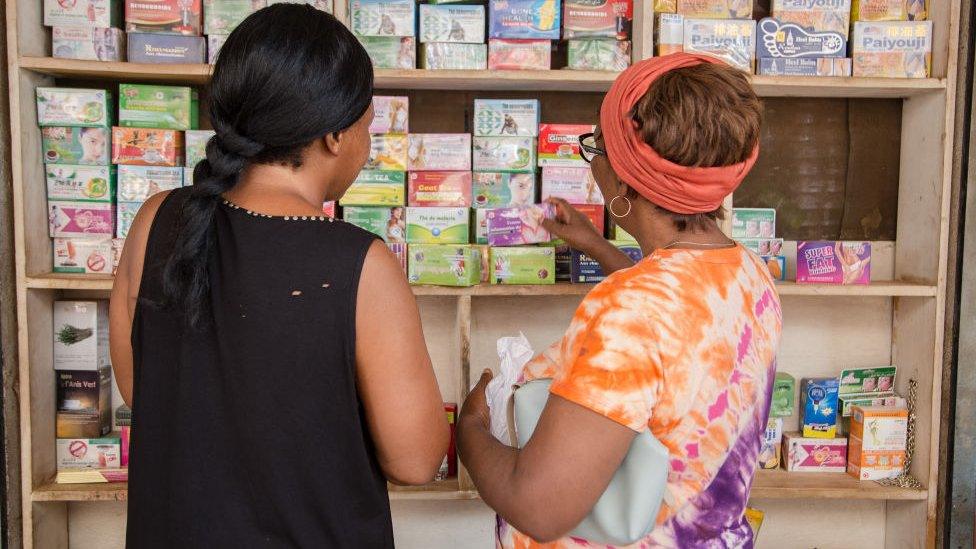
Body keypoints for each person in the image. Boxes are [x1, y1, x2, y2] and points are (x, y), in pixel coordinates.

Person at [109, 5, 449, 547]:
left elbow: (145, 389)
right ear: (336, 134)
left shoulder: (157, 220)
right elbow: (416, 460)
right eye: (368, 121)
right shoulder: (361, 264)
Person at [458, 53, 782, 548]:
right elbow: (675, 330)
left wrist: (473, 430)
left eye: (597, 146)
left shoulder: (629, 309)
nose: (594, 163)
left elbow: (540, 509)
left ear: (626, 178)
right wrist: (599, 248)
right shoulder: (747, 270)